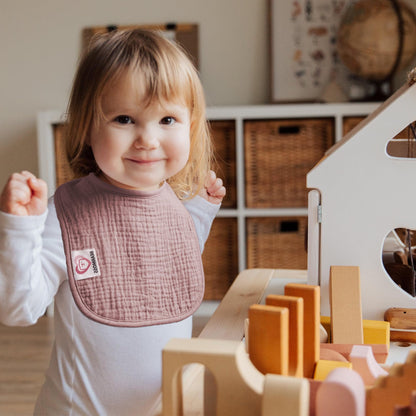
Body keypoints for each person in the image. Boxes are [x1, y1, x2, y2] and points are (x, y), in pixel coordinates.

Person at [0, 29, 225, 415]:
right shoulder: (65, 216)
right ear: (88, 126)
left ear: (191, 126)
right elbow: (18, 309)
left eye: (167, 119)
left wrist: (199, 213)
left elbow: (170, 257)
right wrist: (20, 230)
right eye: (125, 119)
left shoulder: (174, 204)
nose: (148, 139)